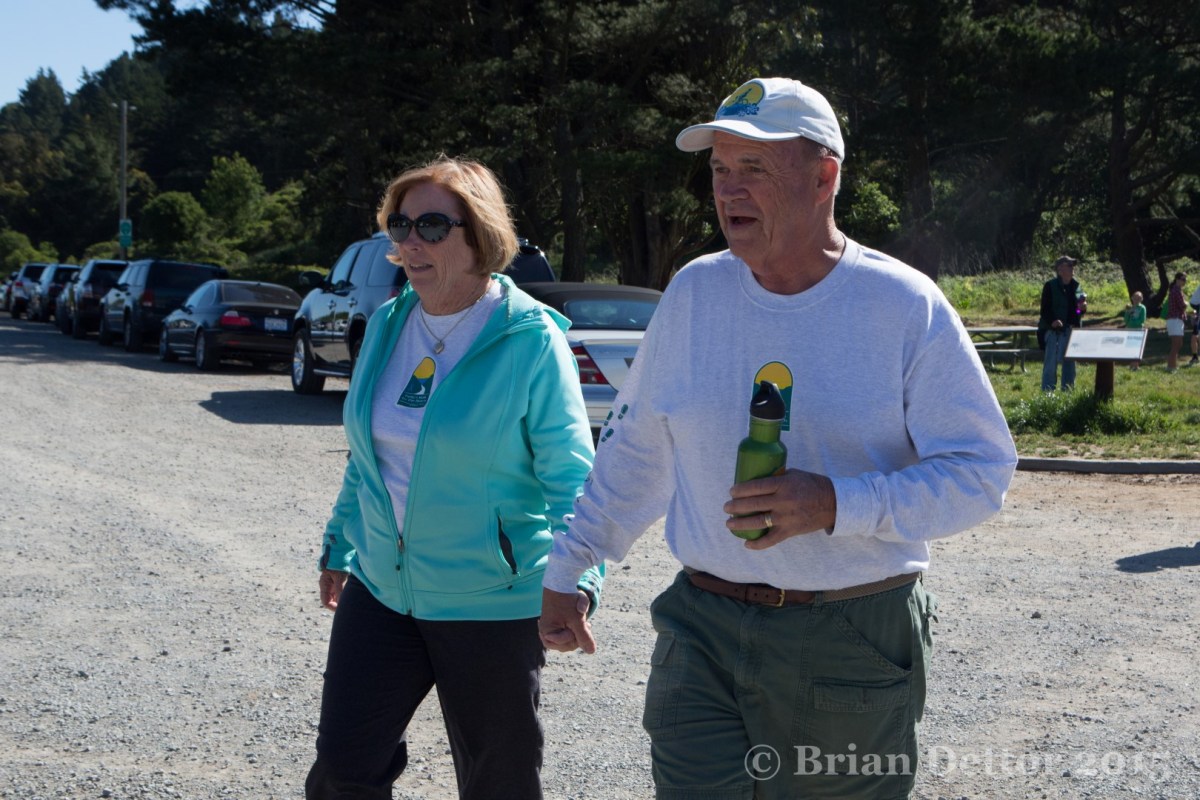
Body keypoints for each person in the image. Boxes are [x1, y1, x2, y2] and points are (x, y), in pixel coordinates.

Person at [539, 77, 1017, 799]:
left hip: (850, 633)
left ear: (825, 177)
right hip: (700, 626)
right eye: (719, 169)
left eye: (754, 168)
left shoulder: (902, 304)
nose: (729, 190)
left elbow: (981, 473)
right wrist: (574, 563)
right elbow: (638, 450)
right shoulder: (693, 293)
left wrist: (836, 504)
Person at [305, 155, 602, 800]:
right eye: (400, 224)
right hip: (382, 589)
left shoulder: (530, 339)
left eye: (432, 226)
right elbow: (369, 457)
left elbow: (572, 477)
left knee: (500, 783)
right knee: (343, 771)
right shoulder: (388, 323)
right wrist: (340, 543)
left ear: (481, 234)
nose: (411, 241)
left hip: (490, 597)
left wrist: (577, 579)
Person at [1038, 255, 1087, 391]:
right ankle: (1048, 395)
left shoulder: (1077, 286)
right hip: (1053, 331)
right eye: (1069, 266)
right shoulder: (1050, 286)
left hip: (1071, 330)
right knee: (1050, 365)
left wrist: (1082, 309)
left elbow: (1078, 311)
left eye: (1073, 266)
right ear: (1060, 270)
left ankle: (1068, 394)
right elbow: (1044, 310)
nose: (1072, 268)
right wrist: (1053, 321)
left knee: (1070, 365)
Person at [1165, 271, 1188, 372]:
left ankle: (1173, 365)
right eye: (1183, 279)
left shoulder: (1176, 290)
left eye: (1185, 280)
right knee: (1176, 344)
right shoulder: (1176, 290)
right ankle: (1171, 367)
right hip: (1175, 320)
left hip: (1176, 320)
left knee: (1179, 344)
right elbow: (1182, 305)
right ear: (1177, 279)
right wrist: (1186, 303)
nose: (1184, 281)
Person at [1123, 291, 1146, 369]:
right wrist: (1127, 312)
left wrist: (1134, 323)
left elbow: (1142, 320)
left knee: (1137, 347)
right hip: (1129, 329)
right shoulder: (1130, 307)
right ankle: (1131, 364)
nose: (1136, 300)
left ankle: (1136, 365)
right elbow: (1125, 319)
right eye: (1135, 298)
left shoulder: (1142, 308)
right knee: (1130, 346)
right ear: (1132, 298)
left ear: (1141, 299)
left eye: (1139, 298)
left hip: (1138, 329)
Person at [1188, 283, 1200, 366]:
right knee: (1195, 335)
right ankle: (1195, 357)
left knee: (1196, 335)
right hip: (1197, 309)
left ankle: (1195, 357)